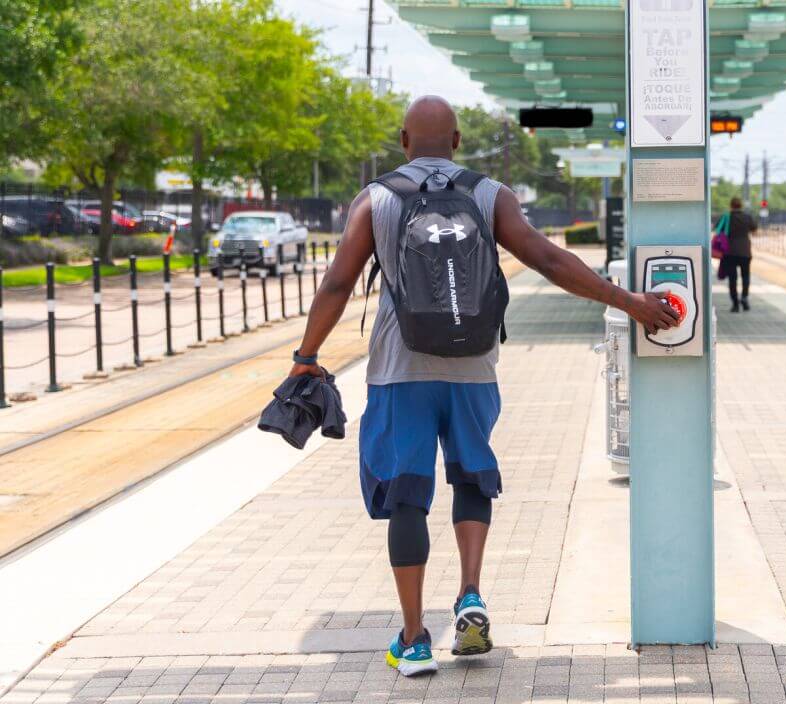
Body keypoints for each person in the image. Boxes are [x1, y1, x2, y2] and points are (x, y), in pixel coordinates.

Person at [287, 95, 678, 676]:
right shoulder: (491, 194)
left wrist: (306, 356)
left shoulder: (375, 199)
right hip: (473, 368)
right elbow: (547, 258)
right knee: (471, 475)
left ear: (401, 142)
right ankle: (471, 594)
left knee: (407, 495)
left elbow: (338, 284)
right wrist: (630, 303)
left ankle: (415, 639)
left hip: (401, 371)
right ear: (459, 141)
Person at [723, 196, 757, 312]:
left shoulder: (727, 218)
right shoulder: (747, 217)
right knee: (745, 276)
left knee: (733, 279)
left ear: (731, 206)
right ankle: (744, 298)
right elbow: (754, 230)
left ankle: (735, 304)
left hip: (730, 252)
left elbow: (719, 230)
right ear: (741, 205)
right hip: (745, 251)